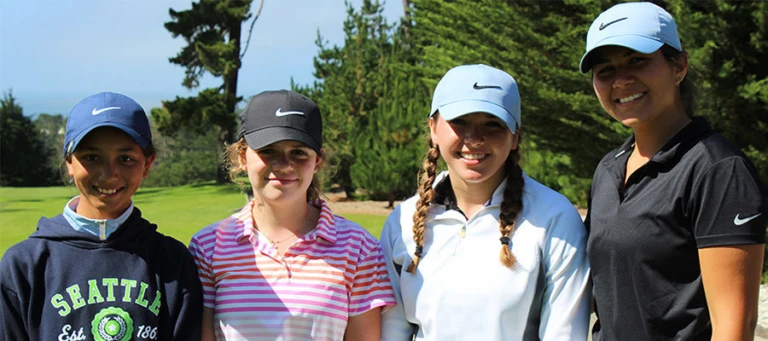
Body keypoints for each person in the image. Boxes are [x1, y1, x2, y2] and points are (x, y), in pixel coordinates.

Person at [579, 2, 768, 340]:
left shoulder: (718, 169)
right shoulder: (608, 170)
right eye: (605, 70)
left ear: (678, 66)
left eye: (637, 61)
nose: (621, 80)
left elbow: (734, 326)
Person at [379, 64, 591, 340]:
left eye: (492, 124)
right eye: (460, 121)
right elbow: (392, 331)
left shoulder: (554, 217)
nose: (474, 138)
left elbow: (564, 334)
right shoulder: (402, 221)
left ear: (515, 136)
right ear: (433, 128)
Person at [189, 90, 396, 341]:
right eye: (268, 150)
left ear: (317, 161)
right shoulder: (207, 247)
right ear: (243, 157)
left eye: (299, 152)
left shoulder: (359, 248)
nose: (284, 165)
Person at [0, 92, 203, 340]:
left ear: (147, 164)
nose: (109, 174)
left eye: (126, 159)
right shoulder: (24, 264)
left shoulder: (172, 260)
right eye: (92, 158)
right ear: (69, 162)